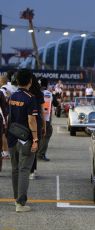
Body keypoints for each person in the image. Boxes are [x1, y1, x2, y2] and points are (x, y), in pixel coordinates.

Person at [8, 69, 39, 212]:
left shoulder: (12, 96)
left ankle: (16, 199)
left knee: (15, 169)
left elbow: (9, 118)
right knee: (24, 169)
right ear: (30, 81)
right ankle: (20, 203)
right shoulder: (30, 98)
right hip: (25, 138)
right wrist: (36, 139)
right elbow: (31, 120)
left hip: (12, 137)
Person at [37, 78, 59, 162]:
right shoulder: (50, 94)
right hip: (46, 119)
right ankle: (41, 154)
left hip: (35, 118)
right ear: (46, 85)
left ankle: (35, 153)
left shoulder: (35, 93)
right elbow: (56, 104)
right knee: (46, 135)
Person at [29, 75, 46, 180]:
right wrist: (44, 125)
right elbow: (42, 111)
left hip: (25, 120)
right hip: (37, 121)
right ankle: (33, 170)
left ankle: (24, 169)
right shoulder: (39, 93)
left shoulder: (24, 93)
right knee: (35, 145)